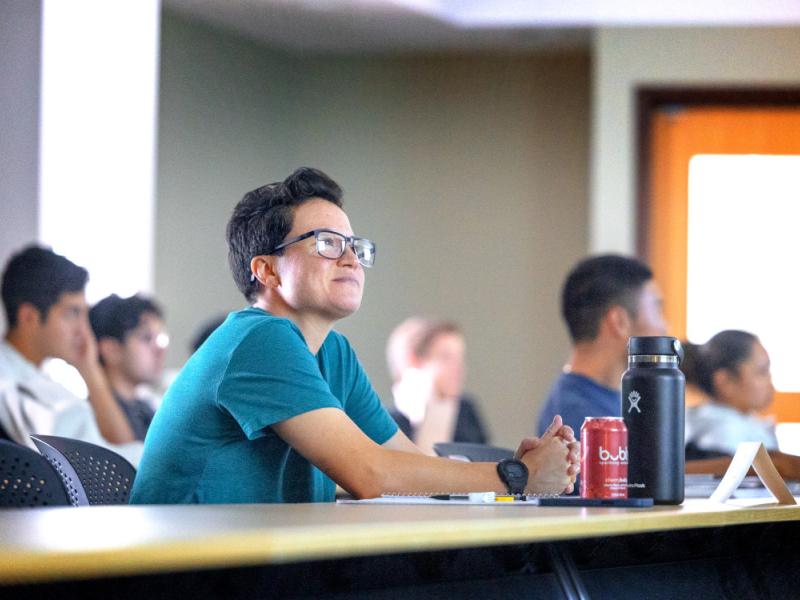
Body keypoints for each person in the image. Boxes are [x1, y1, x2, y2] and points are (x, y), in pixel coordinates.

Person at [131, 167, 578, 504]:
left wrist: (512, 471)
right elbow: (370, 474)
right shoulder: (258, 340)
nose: (350, 259)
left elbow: (410, 465)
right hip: (183, 574)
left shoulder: (332, 352)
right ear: (266, 270)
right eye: (326, 243)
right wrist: (516, 475)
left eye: (354, 246)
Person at [0, 245, 142, 463]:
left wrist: (89, 367)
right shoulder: (12, 384)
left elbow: (119, 447)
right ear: (29, 317)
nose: (84, 330)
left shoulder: (36, 379)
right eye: (73, 313)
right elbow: (112, 470)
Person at [536, 254, 668, 439]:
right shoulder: (581, 421)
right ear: (619, 321)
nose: (664, 327)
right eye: (657, 309)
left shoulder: (613, 402)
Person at [387, 317, 488, 455]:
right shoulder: (389, 423)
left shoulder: (466, 410)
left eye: (460, 358)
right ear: (414, 361)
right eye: (446, 357)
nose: (458, 368)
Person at [89, 294, 168, 441]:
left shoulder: (147, 410)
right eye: (146, 338)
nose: (160, 350)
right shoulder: (86, 417)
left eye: (160, 338)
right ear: (111, 350)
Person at [685, 330, 778, 455]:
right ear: (726, 381)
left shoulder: (743, 420)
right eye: (762, 371)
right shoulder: (723, 433)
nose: (769, 380)